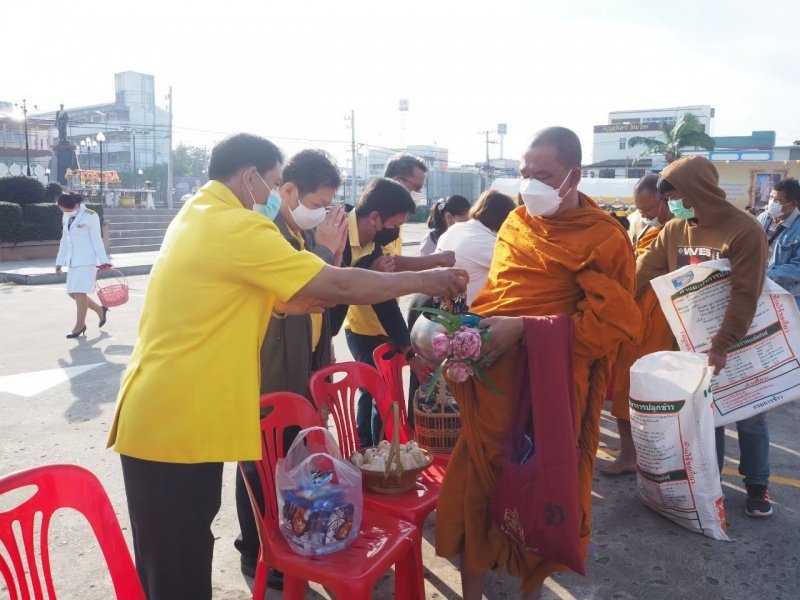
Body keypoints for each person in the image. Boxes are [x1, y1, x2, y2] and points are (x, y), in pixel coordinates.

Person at [106, 133, 467, 600]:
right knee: (176, 571)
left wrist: (293, 299)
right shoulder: (235, 225)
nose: (278, 194)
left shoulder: (203, 213)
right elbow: (335, 284)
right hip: (172, 421)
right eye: (275, 183)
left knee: (181, 558)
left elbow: (264, 297)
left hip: (177, 417)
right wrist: (427, 279)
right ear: (249, 177)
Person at [435, 127, 640, 599]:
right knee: (475, 492)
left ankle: (530, 590)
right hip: (494, 385)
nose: (530, 186)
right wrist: (466, 337)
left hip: (553, 392)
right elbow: (496, 295)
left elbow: (606, 326)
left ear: (574, 176)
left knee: (544, 492)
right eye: (525, 174)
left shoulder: (603, 238)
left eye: (543, 176)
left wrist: (527, 328)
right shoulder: (516, 223)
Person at [234, 149, 346, 588]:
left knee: (289, 465)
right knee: (259, 464)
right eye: (317, 203)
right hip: (271, 371)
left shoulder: (302, 235)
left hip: (302, 365)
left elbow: (326, 298)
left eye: (327, 206)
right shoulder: (269, 235)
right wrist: (326, 252)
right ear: (288, 191)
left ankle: (285, 544)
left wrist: (331, 254)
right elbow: (298, 289)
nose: (322, 213)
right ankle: (257, 554)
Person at [636, 155, 771, 517]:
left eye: (674, 197)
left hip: (739, 336)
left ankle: (758, 485)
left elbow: (746, 293)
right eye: (667, 199)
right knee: (707, 416)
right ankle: (712, 487)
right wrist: (614, 302)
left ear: (697, 190)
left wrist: (723, 343)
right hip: (692, 340)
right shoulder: (674, 230)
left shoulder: (744, 230)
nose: (670, 205)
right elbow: (643, 271)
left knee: (749, 416)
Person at [330, 177, 455, 447]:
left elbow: (385, 303)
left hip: (325, 335)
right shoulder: (332, 231)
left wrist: (410, 353)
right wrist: (369, 276)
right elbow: (327, 288)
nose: (396, 234)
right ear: (375, 217)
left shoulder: (372, 246)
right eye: (395, 226)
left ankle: (373, 452)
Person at [604, 174, 675, 474]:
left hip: (658, 322)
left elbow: (636, 274)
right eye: (640, 209)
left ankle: (640, 458)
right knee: (626, 388)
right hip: (636, 318)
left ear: (666, 200)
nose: (643, 214)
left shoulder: (676, 232)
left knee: (647, 390)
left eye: (648, 208)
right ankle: (630, 455)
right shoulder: (648, 227)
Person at [435, 190, 516, 305]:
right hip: (468, 312)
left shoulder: (455, 228)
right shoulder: (488, 242)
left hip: (442, 306)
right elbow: (521, 269)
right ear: (503, 218)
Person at [55, 192, 112, 338]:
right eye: (62, 210)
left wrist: (104, 261)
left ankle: (79, 326)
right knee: (71, 293)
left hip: (87, 260)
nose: (65, 212)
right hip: (73, 260)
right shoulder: (66, 216)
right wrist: (59, 262)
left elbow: (97, 240)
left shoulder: (90, 215)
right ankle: (100, 310)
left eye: (67, 210)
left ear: (76, 205)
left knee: (80, 292)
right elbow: (64, 239)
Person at [757, 177, 800, 308]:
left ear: (792, 204)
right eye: (771, 198)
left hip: (787, 296)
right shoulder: (763, 217)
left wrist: (764, 276)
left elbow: (797, 268)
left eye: (777, 201)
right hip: (759, 289)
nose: (771, 203)